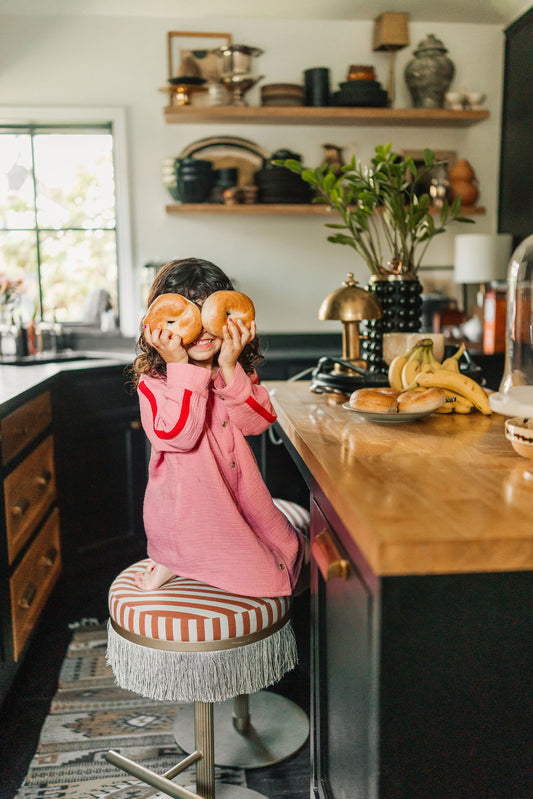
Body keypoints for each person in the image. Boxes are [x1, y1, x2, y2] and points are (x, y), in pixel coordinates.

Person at [130, 257, 305, 596]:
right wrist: (180, 365)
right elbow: (179, 436)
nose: (202, 329)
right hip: (191, 515)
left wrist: (228, 366)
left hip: (242, 497)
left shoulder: (233, 370)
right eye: (184, 316)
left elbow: (257, 422)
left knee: (294, 552)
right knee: (270, 579)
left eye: (210, 313)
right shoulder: (155, 384)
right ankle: (173, 557)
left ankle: (182, 558)